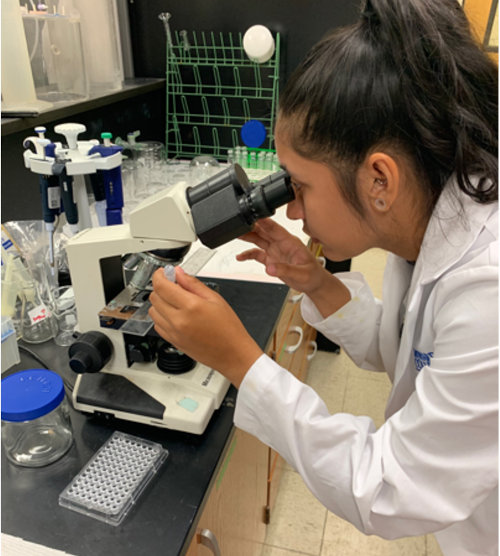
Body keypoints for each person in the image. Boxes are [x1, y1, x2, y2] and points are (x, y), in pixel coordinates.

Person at [149, 1, 498, 554]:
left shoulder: (489, 290)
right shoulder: (435, 211)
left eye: (300, 186)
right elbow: (410, 351)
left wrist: (241, 360)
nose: (291, 210)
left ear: (379, 178)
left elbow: (388, 487)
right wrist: (313, 279)